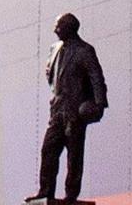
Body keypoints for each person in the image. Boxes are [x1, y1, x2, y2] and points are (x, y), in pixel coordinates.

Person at [31, 13, 106, 204]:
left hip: (75, 112)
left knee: (74, 155)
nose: (55, 30)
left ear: (70, 28)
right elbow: (51, 73)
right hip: (57, 110)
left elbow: (96, 77)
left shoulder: (84, 51)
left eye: (58, 26)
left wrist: (98, 104)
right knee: (48, 150)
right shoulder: (55, 49)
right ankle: (45, 191)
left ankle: (71, 195)